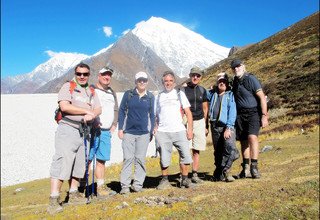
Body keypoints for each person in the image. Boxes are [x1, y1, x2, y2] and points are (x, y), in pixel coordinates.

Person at [48, 63, 102, 214]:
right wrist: (87, 111)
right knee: (62, 162)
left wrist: (93, 114)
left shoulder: (91, 91)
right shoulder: (68, 87)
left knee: (80, 164)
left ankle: (73, 194)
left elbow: (98, 108)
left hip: (85, 132)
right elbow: (64, 106)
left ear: (89, 74)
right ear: (75, 73)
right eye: (79, 74)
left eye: (85, 74)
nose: (82, 76)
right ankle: (53, 199)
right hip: (68, 129)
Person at [155, 70, 194, 189]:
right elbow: (154, 115)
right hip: (163, 131)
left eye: (171, 81)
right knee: (164, 156)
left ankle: (185, 179)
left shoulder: (179, 94)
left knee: (185, 154)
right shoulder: (158, 96)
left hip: (179, 130)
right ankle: (164, 180)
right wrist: (154, 128)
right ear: (163, 82)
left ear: (174, 82)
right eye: (166, 81)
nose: (168, 83)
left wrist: (190, 129)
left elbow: (188, 112)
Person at [118, 71, 155, 194]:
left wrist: (151, 131)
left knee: (140, 159)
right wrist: (120, 129)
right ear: (136, 82)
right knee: (128, 158)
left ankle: (138, 185)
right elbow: (122, 111)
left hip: (144, 133)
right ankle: (125, 186)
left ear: (147, 82)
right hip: (128, 132)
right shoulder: (128, 95)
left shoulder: (150, 97)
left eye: (144, 80)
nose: (142, 82)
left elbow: (152, 115)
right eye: (140, 80)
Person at [230, 59, 269, 179]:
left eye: (238, 66)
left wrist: (264, 115)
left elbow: (262, 97)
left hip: (253, 113)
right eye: (234, 67)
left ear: (243, 66)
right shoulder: (235, 81)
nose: (236, 68)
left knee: (252, 137)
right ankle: (245, 169)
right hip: (240, 115)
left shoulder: (251, 79)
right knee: (243, 141)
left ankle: (254, 167)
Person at [87, 66, 118, 198]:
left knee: (101, 159)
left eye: (109, 75)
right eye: (104, 75)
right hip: (92, 130)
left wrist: (114, 124)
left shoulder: (112, 92)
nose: (107, 77)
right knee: (87, 159)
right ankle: (83, 188)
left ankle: (100, 187)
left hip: (106, 131)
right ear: (98, 76)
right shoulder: (91, 90)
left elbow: (115, 109)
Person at [207, 73, 239, 182]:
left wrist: (229, 127)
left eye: (224, 81)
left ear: (227, 83)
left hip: (226, 126)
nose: (222, 83)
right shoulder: (212, 94)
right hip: (214, 126)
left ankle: (226, 170)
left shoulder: (230, 95)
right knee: (218, 151)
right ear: (217, 83)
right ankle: (219, 172)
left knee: (230, 146)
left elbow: (233, 112)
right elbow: (200, 92)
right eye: (220, 81)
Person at [182, 66, 208, 184]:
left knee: (196, 150)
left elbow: (205, 108)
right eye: (193, 75)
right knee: (185, 149)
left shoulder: (203, 90)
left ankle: (195, 174)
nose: (195, 77)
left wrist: (206, 125)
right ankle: (185, 176)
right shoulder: (183, 90)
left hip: (199, 121)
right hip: (187, 121)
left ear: (200, 77)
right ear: (190, 76)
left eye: (197, 75)